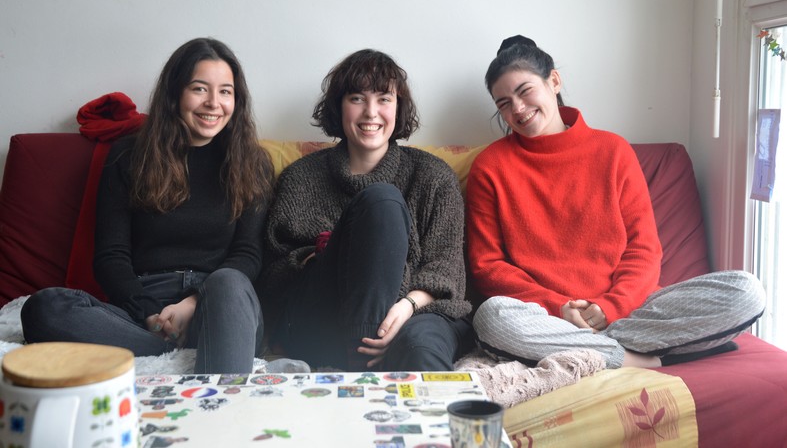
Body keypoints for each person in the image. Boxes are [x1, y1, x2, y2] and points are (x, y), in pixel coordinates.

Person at [467, 35, 766, 369]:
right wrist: (560, 308)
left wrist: (611, 308)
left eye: (524, 91)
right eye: (504, 103)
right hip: (549, 317)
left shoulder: (613, 151)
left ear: (553, 80)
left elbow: (645, 248)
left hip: (631, 311)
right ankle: (635, 358)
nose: (518, 109)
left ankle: (595, 351)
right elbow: (487, 266)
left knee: (746, 290)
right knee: (491, 317)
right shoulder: (490, 167)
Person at [21, 37, 274, 374]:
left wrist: (192, 303)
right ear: (174, 94)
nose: (214, 103)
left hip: (221, 305)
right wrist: (151, 316)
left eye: (226, 91)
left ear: (236, 99)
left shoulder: (253, 163)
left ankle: (215, 391)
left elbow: (248, 255)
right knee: (45, 308)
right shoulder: (129, 156)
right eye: (200, 89)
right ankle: (166, 348)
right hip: (143, 312)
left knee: (228, 281)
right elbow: (111, 256)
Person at [261, 49, 473, 371]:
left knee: (421, 346)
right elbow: (274, 273)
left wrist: (405, 307)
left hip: (414, 313)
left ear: (398, 107)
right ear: (339, 106)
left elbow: (446, 270)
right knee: (381, 202)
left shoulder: (434, 177)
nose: (370, 112)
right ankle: (364, 366)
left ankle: (434, 417)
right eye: (357, 98)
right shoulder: (300, 178)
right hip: (320, 320)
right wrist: (335, 252)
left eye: (384, 99)